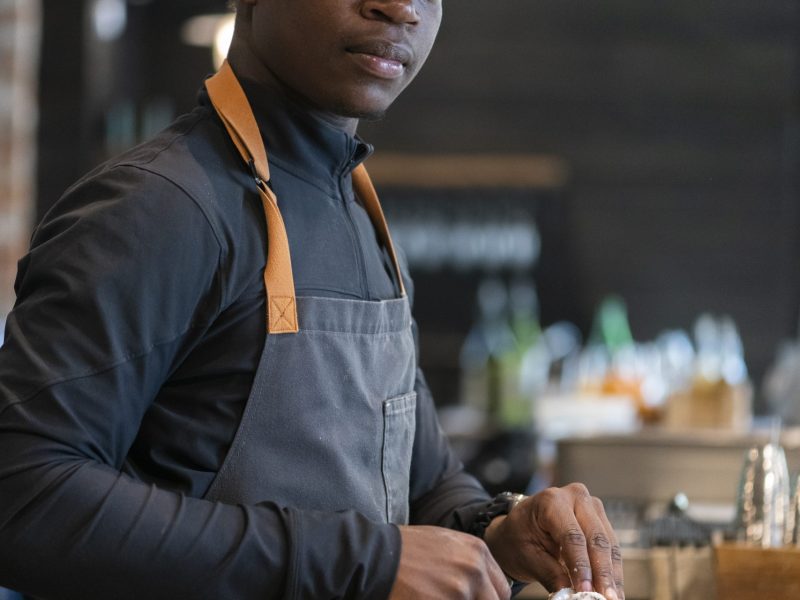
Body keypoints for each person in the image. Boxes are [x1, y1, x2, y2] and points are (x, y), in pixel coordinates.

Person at [0, 1, 624, 599]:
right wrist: (363, 562)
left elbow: (426, 485)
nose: (400, 7)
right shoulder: (159, 209)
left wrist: (502, 533)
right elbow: (23, 495)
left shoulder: (361, 218)